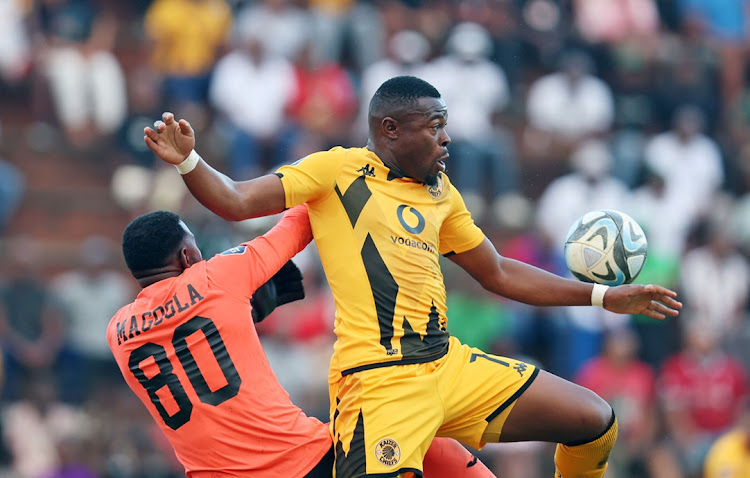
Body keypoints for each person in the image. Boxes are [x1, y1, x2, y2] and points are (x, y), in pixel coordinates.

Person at [144, 75, 681, 478]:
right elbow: (237, 201)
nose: (447, 139)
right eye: (436, 126)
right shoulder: (337, 170)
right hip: (379, 383)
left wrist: (601, 297)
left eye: (446, 125)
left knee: (594, 419)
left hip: (447, 365)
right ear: (391, 130)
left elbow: (496, 273)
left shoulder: (440, 192)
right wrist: (190, 163)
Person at [107, 206, 495, 477]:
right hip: (301, 463)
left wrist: (240, 312)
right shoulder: (214, 276)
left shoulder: (118, 332)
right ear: (189, 255)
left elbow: (184, 344)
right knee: (425, 441)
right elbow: (298, 224)